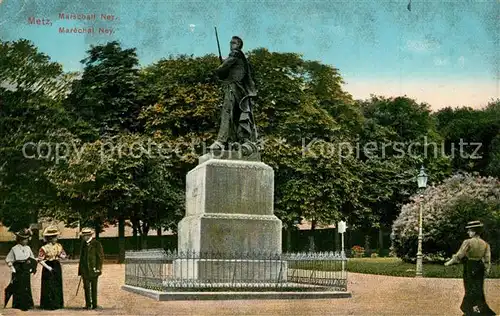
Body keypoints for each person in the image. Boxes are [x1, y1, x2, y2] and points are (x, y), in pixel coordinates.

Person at [208, 35, 258, 154]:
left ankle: (220, 141)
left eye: (234, 43)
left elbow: (223, 68)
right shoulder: (242, 58)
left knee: (227, 112)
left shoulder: (235, 53)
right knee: (236, 117)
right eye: (231, 43)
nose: (231, 45)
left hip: (233, 88)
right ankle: (241, 140)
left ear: (238, 45)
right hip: (240, 91)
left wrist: (220, 69)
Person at [444, 220, 496, 315]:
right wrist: (486, 271)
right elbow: (487, 260)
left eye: (469, 230)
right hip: (480, 267)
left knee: (469, 288)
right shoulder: (485, 244)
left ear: (474, 231)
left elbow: (460, 254)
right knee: (478, 288)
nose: (468, 232)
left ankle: (470, 310)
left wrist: (449, 262)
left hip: (470, 265)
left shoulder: (467, 242)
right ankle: (479, 309)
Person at [4, 229, 37, 311]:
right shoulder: (14, 248)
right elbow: (8, 259)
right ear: (19, 240)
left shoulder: (28, 248)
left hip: (25, 267)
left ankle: (27, 303)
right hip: (18, 268)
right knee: (18, 285)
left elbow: (32, 258)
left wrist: (31, 266)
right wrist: (12, 268)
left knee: (26, 285)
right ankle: (18, 304)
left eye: (26, 239)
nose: (25, 241)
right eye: (23, 239)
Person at [38, 226, 66, 310]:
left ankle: (57, 303)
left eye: (56, 236)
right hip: (48, 266)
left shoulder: (59, 246)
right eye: (54, 237)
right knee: (49, 285)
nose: (56, 238)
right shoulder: (44, 248)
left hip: (56, 265)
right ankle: (48, 304)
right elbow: (40, 260)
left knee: (57, 284)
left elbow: (63, 255)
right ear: (50, 238)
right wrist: (48, 267)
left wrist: (61, 256)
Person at [78, 228, 104, 310]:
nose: (84, 237)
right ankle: (88, 304)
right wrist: (81, 270)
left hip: (93, 269)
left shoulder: (96, 244)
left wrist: (98, 268)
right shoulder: (83, 244)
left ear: (89, 235)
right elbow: (81, 258)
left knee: (94, 287)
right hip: (85, 270)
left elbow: (100, 258)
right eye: (83, 235)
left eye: (85, 235)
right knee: (86, 287)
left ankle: (95, 304)